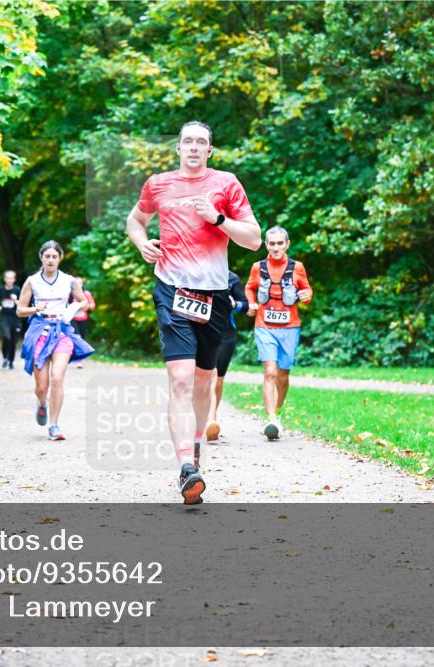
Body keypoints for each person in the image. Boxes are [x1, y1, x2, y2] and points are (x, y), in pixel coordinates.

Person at [126, 120, 261, 504]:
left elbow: (253, 239)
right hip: (172, 290)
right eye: (188, 141)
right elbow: (135, 219)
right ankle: (186, 466)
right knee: (181, 379)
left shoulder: (226, 184)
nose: (194, 147)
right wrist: (141, 243)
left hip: (215, 294)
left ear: (210, 150)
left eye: (202, 142)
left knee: (205, 380)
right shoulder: (158, 184)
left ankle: (196, 446)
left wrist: (218, 219)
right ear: (178, 148)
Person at [17, 241, 94, 441]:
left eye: (54, 256)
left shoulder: (69, 280)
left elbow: (84, 301)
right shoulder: (32, 281)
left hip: (61, 331)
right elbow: (20, 310)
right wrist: (36, 309)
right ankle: (42, 403)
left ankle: (54, 425)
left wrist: (74, 309)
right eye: (47, 256)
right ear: (41, 258)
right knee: (42, 386)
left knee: (57, 378)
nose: (51, 260)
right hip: (39, 331)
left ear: (60, 258)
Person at [244, 226, 313, 440]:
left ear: (287, 244)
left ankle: (278, 412)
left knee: (283, 374)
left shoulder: (297, 267)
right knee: (270, 372)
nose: (276, 248)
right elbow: (249, 287)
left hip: (290, 327)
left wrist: (305, 295)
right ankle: (271, 419)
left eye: (279, 243)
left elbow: (308, 290)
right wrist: (251, 303)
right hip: (264, 325)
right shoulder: (258, 267)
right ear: (266, 245)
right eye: (272, 244)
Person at [205, 270, 248, 442]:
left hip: (226, 335)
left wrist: (234, 305)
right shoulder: (195, 275)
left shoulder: (232, 279)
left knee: (219, 379)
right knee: (210, 375)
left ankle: (212, 416)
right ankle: (209, 420)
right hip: (204, 332)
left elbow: (245, 305)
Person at [0, 270, 22, 369]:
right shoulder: (0, 289)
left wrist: (15, 300)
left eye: (11, 278)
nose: (9, 280)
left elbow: (22, 304)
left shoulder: (18, 289)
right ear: (5, 279)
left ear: (14, 279)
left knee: (13, 340)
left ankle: (11, 361)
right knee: (6, 337)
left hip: (15, 318)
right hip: (4, 317)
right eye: (7, 278)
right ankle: (5, 357)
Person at [70, 277, 96, 368]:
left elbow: (93, 306)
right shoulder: (70, 293)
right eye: (76, 283)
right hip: (72, 318)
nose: (78, 285)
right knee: (77, 337)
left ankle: (80, 358)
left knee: (82, 338)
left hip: (83, 319)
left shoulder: (86, 293)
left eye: (80, 283)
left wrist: (84, 306)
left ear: (82, 284)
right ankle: (78, 361)